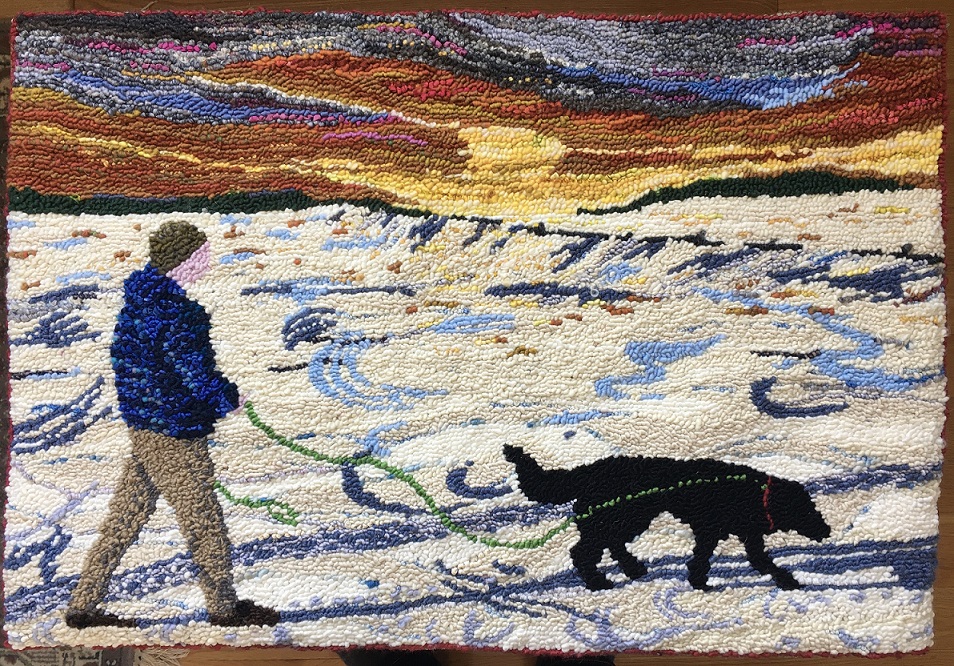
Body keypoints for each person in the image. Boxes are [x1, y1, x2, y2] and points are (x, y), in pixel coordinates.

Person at [66, 220, 279, 629]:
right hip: (174, 431)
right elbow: (194, 372)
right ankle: (224, 609)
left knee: (124, 518)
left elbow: (129, 365)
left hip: (143, 427)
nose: (208, 262)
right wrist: (228, 399)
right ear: (184, 260)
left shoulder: (136, 304)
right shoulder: (179, 314)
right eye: (202, 255)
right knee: (203, 519)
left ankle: (82, 605)